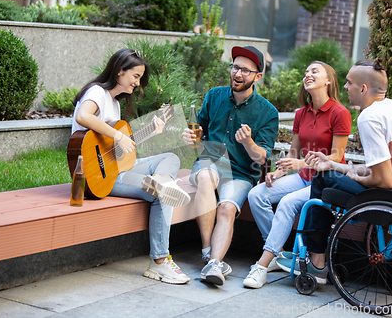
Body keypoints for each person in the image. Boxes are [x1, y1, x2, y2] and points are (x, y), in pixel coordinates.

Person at [71, 48, 191, 285]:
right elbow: (83, 117)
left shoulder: (114, 104)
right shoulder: (97, 92)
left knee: (171, 158)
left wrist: (151, 132)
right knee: (162, 196)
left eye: (139, 78)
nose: (137, 82)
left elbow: (117, 149)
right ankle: (159, 263)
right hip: (99, 177)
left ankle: (161, 180)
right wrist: (118, 136)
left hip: (117, 168)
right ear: (119, 72)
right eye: (135, 76)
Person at [302, 57, 392, 283]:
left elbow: (384, 180)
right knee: (328, 171)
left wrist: (344, 173)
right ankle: (320, 258)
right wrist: (335, 165)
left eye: (349, 83)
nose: (346, 87)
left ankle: (318, 262)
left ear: (364, 88)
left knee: (321, 179)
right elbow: (383, 166)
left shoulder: (369, 117)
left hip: (388, 199)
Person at [242, 61, 351, 289]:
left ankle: (261, 266)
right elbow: (294, 151)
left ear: (328, 80)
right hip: (302, 177)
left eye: (314, 71)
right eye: (306, 71)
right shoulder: (301, 113)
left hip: (325, 182)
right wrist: (279, 172)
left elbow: (336, 156)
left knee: (287, 203)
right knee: (257, 195)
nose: (307, 74)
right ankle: (277, 252)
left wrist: (300, 161)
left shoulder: (340, 113)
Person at [182, 46, 279, 286]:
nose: (237, 73)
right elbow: (199, 134)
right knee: (205, 175)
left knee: (227, 208)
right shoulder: (214, 96)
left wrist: (248, 142)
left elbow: (261, 158)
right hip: (210, 161)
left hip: (240, 172)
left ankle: (214, 263)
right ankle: (208, 254)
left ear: (258, 76)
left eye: (245, 70)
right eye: (235, 67)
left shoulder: (268, 112)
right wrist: (192, 138)